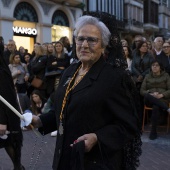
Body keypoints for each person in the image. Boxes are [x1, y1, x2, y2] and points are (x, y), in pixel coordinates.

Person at [26, 13, 141, 170]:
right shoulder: (70, 71)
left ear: (104, 45)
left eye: (92, 40)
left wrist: (97, 137)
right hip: (65, 157)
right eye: (80, 39)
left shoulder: (115, 78)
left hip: (95, 162)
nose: (84, 45)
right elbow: (65, 109)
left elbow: (129, 125)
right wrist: (40, 121)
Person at [0, 43, 24, 169]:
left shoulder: (2, 71)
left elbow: (6, 99)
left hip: (5, 116)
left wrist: (2, 121)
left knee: (10, 143)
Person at [140, 59, 170, 140]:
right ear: (151, 67)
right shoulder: (147, 76)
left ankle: (153, 131)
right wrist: (151, 93)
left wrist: (162, 95)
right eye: (153, 65)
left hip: (162, 99)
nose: (155, 67)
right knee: (147, 96)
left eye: (157, 65)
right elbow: (142, 91)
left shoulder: (166, 76)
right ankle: (167, 109)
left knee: (156, 106)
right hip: (149, 99)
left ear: (160, 67)